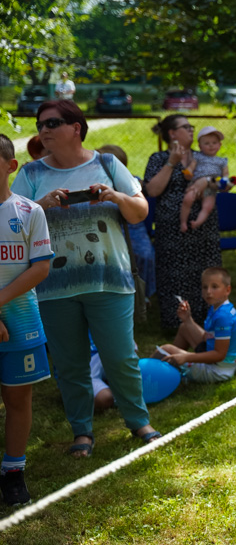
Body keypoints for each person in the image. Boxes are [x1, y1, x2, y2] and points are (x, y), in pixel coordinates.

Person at [11, 100, 160, 458]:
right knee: (69, 363)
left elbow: (139, 211)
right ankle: (82, 433)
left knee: (120, 357)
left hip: (109, 278)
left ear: (75, 127)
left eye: (52, 123)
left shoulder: (107, 163)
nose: (44, 130)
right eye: (41, 124)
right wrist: (41, 205)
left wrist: (113, 195)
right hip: (53, 284)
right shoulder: (31, 174)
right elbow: (10, 225)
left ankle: (139, 423)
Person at [0, 135, 52, 506]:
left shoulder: (30, 211)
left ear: (10, 166)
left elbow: (41, 267)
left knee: (18, 397)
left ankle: (13, 472)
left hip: (20, 315)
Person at [145, 115, 222, 328]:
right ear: (172, 133)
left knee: (206, 273)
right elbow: (152, 190)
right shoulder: (158, 159)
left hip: (203, 225)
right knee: (174, 276)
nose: (191, 130)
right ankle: (176, 323)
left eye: (191, 126)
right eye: (186, 127)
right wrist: (172, 163)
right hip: (172, 229)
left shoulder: (204, 156)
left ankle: (209, 322)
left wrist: (207, 181)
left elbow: (225, 182)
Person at [152, 267, 236, 383]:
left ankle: (147, 379)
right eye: (205, 287)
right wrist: (188, 319)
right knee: (185, 327)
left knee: (166, 348)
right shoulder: (219, 308)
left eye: (214, 287)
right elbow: (207, 338)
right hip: (223, 363)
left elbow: (219, 355)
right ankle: (172, 369)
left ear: (227, 290)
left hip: (219, 370)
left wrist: (186, 357)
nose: (208, 291)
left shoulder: (223, 317)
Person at [97, 144, 156, 300]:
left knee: (144, 255)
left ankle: (144, 293)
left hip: (133, 227)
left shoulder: (132, 181)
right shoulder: (95, 183)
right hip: (109, 227)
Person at [179, 126, 234, 233]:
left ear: (220, 145)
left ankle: (197, 222)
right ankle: (183, 222)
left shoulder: (222, 161)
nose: (211, 146)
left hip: (211, 188)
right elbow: (191, 167)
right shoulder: (198, 157)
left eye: (214, 142)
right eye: (207, 143)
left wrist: (226, 181)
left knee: (208, 207)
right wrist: (188, 172)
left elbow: (225, 174)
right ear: (200, 146)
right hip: (196, 185)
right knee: (187, 199)